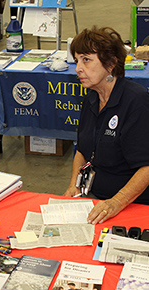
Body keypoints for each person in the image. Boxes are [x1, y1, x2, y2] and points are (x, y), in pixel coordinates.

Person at [64, 26, 149, 224]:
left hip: (132, 203)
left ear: (110, 64)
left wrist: (115, 203)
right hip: (94, 199)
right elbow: (82, 151)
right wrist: (74, 186)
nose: (78, 68)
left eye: (86, 59)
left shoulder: (136, 102)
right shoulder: (91, 97)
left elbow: (146, 167)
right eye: (76, 60)